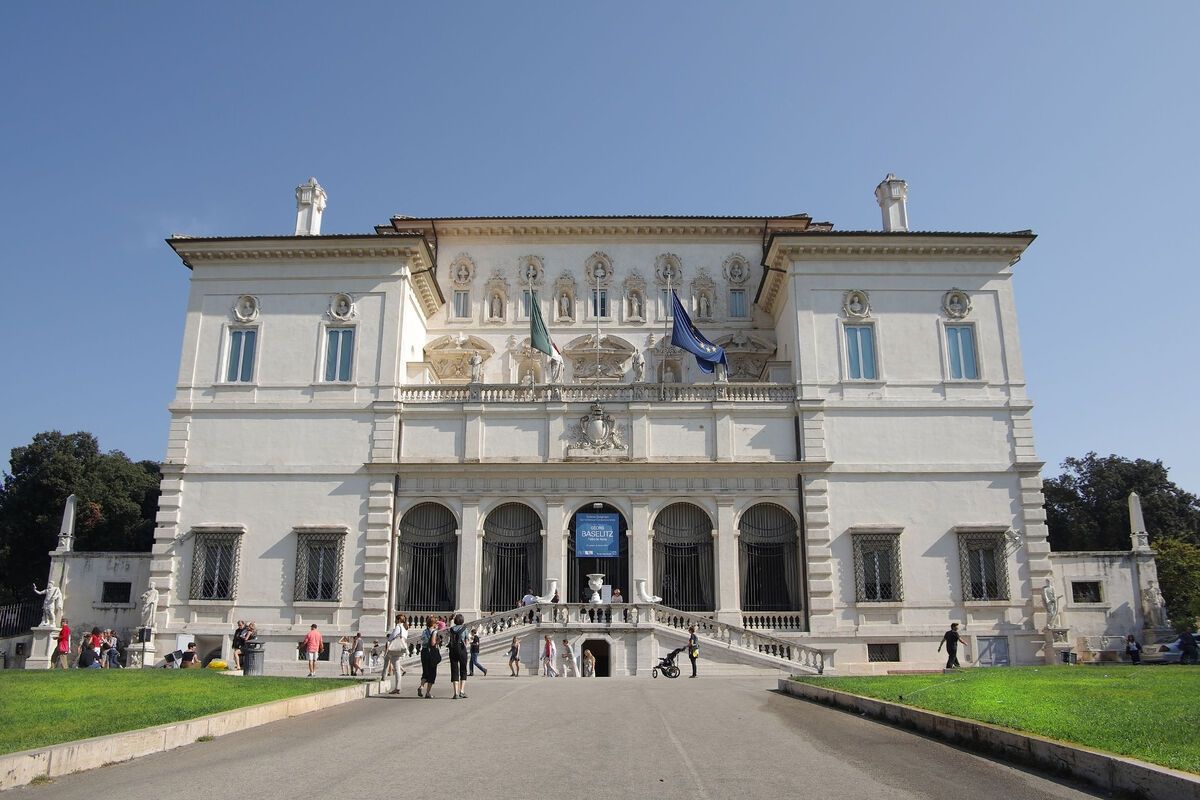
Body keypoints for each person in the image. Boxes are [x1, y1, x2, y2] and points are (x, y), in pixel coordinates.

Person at [447, 613, 470, 699]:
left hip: (453, 650)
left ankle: (455, 692)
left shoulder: (451, 629)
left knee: (454, 670)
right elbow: (466, 640)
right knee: (463, 670)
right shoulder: (464, 629)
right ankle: (462, 691)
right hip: (461, 649)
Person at [384, 613, 409, 694]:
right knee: (396, 667)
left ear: (398, 620)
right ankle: (395, 685)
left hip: (395, 648)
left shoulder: (398, 627)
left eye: (395, 619)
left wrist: (390, 640)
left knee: (396, 668)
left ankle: (397, 687)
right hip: (401, 648)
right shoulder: (405, 628)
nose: (394, 621)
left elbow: (392, 637)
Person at [418, 616, 441, 698]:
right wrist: (437, 642)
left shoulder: (424, 631)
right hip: (431, 653)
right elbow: (432, 643)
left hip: (423, 652)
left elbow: (423, 640)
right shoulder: (434, 631)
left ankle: (421, 686)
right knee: (432, 672)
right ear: (434, 624)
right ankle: (428, 693)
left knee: (425, 671)